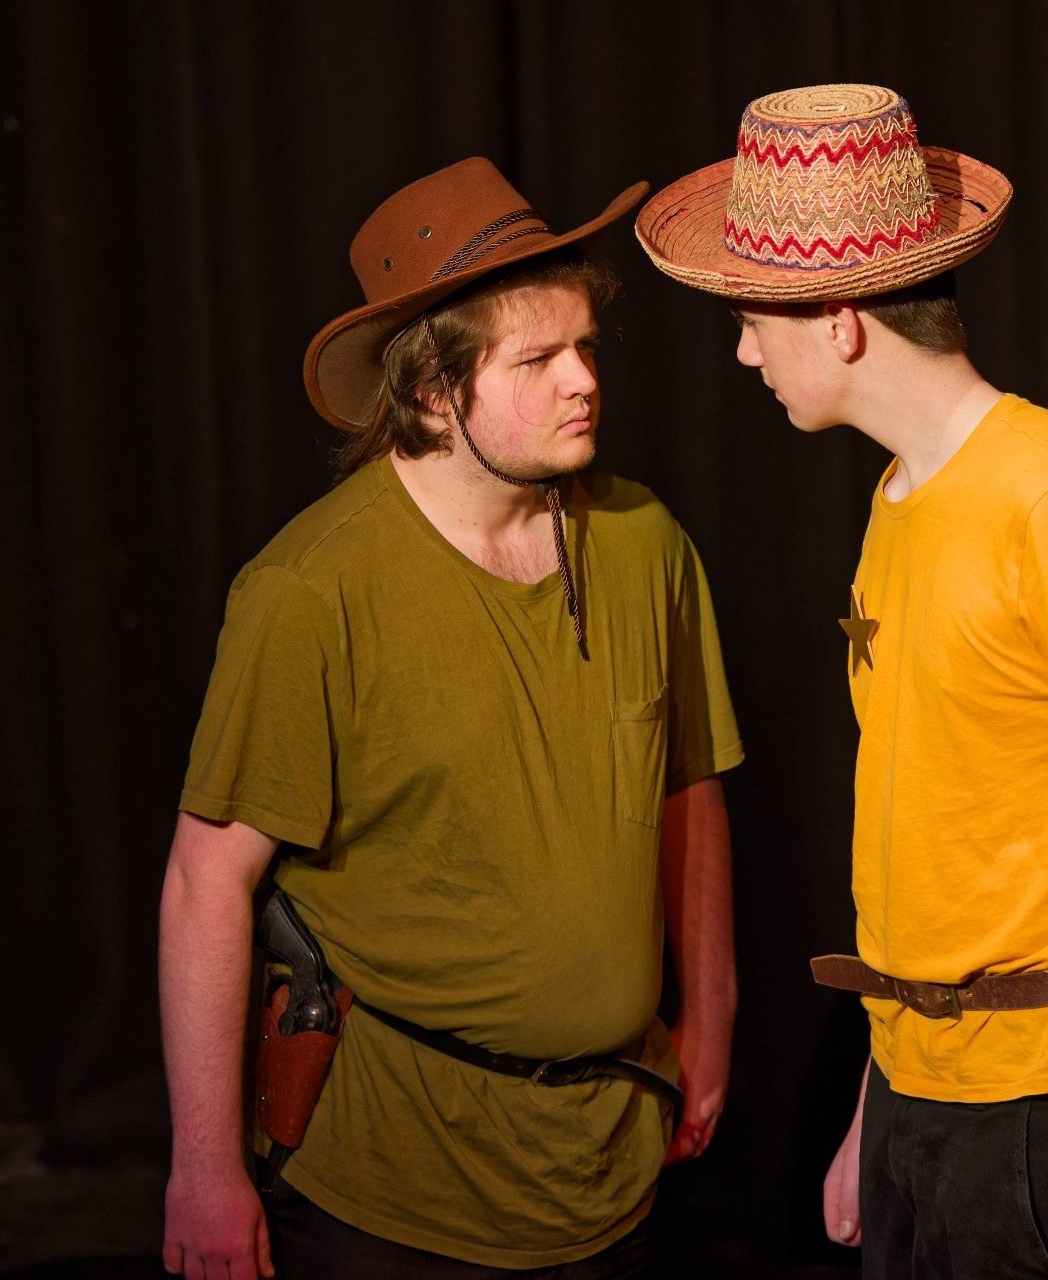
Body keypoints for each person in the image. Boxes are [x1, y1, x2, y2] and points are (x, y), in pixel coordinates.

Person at [638, 85, 1048, 1277]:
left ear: (837, 317)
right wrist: (882, 1114)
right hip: (918, 1113)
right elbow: (932, 841)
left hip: (1042, 1118)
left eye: (753, 319)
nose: (740, 350)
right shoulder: (898, 500)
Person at [159, 156, 743, 1278]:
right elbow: (205, 881)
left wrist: (708, 1023)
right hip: (387, 1189)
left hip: (611, 1159)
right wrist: (204, 1166)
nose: (585, 381)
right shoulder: (309, 591)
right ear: (432, 391)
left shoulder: (644, 542)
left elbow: (690, 789)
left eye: (586, 346)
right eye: (538, 359)